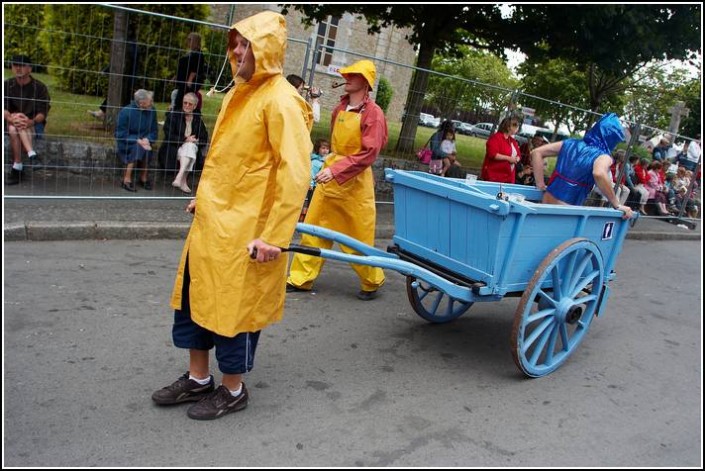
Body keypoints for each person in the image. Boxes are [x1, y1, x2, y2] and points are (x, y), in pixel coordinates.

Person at [150, 11, 313, 421]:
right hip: (212, 222)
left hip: (248, 230)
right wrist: (202, 197)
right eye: (235, 43)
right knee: (194, 299)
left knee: (235, 309)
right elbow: (230, 162)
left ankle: (233, 388)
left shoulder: (282, 101)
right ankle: (198, 378)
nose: (237, 51)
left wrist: (274, 236)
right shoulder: (236, 93)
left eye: (246, 43)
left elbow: (294, 173)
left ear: (267, 48)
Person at [286, 59, 388, 301]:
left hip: (355, 183)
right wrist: (330, 168)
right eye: (348, 74)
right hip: (329, 177)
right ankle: (300, 278)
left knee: (358, 238)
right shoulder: (339, 108)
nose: (347, 78)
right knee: (313, 228)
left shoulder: (374, 114)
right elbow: (335, 145)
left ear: (365, 82)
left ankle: (371, 281)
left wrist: (336, 170)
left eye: (353, 75)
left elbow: (369, 153)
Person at [530, 112, 633, 220]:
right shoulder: (603, 156)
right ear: (611, 139)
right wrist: (617, 204)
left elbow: (536, 152)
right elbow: (599, 173)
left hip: (547, 198)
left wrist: (540, 184)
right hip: (566, 207)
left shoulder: (570, 143)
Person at [4, 54, 50, 185]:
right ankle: (32, 155)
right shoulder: (7, 85)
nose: (18, 68)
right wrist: (12, 118)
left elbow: (43, 112)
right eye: (15, 65)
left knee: (14, 129)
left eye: (22, 66)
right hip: (12, 121)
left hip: (35, 123)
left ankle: (17, 168)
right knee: (13, 126)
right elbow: (4, 109)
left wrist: (31, 121)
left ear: (29, 69)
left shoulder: (40, 87)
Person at [159, 93, 210, 193]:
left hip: (189, 150)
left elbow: (204, 138)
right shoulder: (173, 116)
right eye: (185, 103)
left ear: (195, 106)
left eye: (190, 104)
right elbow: (168, 134)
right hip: (174, 148)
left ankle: (179, 177)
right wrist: (185, 139)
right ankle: (183, 180)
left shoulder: (197, 120)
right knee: (189, 148)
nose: (186, 106)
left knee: (190, 147)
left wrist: (195, 141)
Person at [115, 89, 158, 192]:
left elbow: (154, 131)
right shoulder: (125, 112)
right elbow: (120, 134)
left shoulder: (152, 111)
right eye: (150, 101)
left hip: (144, 141)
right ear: (141, 103)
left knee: (147, 149)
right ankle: (126, 179)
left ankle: (143, 178)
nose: (152, 103)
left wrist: (148, 139)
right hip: (127, 142)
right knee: (137, 148)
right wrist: (137, 140)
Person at [171, 32, 206, 112]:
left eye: (190, 40)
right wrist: (176, 76)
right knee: (178, 98)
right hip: (183, 81)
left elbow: (195, 68)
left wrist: (190, 80)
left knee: (182, 101)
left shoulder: (198, 54)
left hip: (188, 83)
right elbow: (184, 67)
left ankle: (179, 116)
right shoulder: (190, 52)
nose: (188, 42)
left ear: (195, 41)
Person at [480, 116, 521, 184]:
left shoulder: (512, 140)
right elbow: (493, 154)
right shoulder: (495, 138)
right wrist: (509, 159)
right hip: (495, 175)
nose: (517, 129)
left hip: (509, 176)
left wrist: (517, 159)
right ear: (508, 127)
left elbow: (518, 154)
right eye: (516, 126)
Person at [299, 138, 330, 222]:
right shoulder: (315, 162)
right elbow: (311, 174)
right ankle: (305, 218)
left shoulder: (327, 160)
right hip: (314, 186)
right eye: (323, 148)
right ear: (318, 149)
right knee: (311, 202)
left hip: (322, 186)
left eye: (327, 148)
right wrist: (311, 184)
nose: (325, 150)